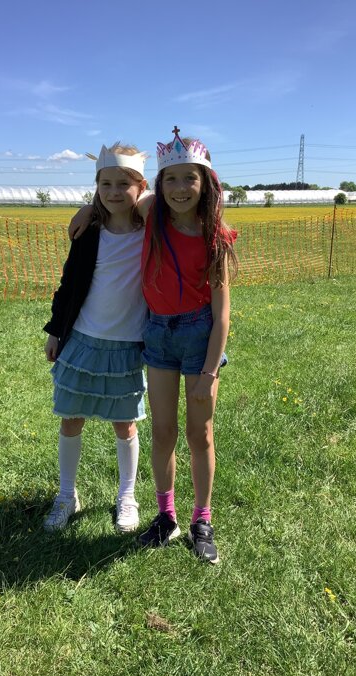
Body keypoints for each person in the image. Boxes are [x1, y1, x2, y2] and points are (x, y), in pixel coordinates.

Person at [70, 127, 237, 563]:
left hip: (200, 339)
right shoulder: (152, 215)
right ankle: (166, 517)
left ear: (206, 183)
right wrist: (88, 208)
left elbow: (222, 313)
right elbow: (118, 197)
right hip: (158, 335)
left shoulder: (215, 236)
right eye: (171, 179)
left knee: (200, 433)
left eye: (190, 178)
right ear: (159, 185)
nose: (180, 188)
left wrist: (209, 372)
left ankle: (202, 520)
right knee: (163, 432)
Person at [43, 143, 148, 533]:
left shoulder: (150, 231)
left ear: (141, 187)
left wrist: (93, 205)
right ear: (96, 185)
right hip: (83, 341)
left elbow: (163, 203)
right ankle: (66, 495)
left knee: (125, 425)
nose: (114, 192)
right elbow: (69, 283)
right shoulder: (89, 232)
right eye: (106, 184)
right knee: (71, 420)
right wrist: (56, 330)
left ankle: (127, 497)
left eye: (124, 184)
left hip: (128, 346)